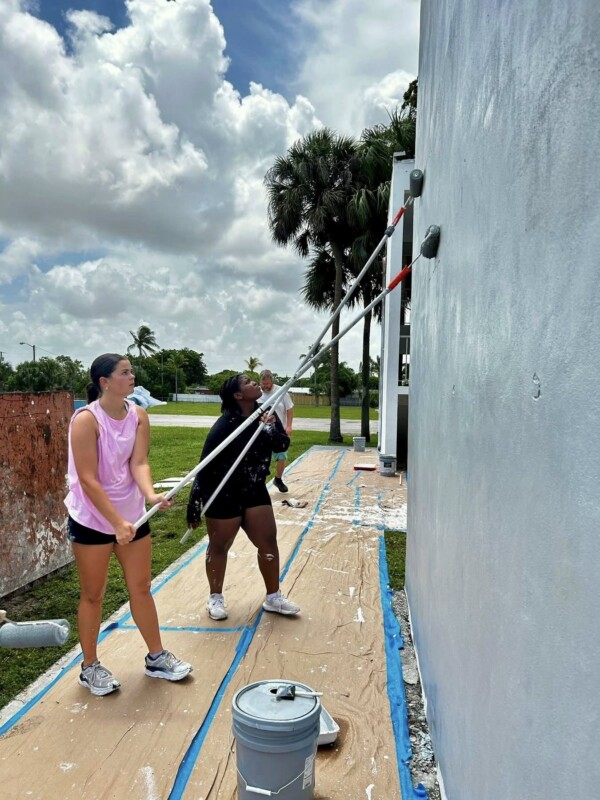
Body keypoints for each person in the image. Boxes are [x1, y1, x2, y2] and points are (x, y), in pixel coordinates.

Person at [65, 353, 193, 696]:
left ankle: (156, 658)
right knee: (93, 594)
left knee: (141, 587)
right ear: (105, 382)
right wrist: (116, 522)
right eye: (125, 372)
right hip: (92, 518)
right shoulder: (85, 421)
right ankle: (89, 667)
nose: (132, 376)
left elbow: (138, 463)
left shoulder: (138, 415)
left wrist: (150, 496)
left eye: (131, 371)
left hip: (132, 515)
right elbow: (88, 480)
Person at [186, 374, 300, 621]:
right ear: (238, 395)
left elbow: (282, 446)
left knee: (268, 541)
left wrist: (270, 426)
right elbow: (204, 467)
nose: (255, 384)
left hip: (254, 488)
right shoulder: (225, 426)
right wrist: (195, 504)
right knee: (219, 546)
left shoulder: (265, 413)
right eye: (248, 383)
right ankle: (215, 596)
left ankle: (273, 596)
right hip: (223, 492)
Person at [258, 369, 294, 493]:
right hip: (262, 432)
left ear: (272, 381)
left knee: (281, 455)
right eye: (263, 384)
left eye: (268, 384)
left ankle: (278, 479)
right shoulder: (257, 393)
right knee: (261, 457)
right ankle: (259, 482)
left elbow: (289, 409)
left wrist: (288, 426)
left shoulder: (281, 391)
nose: (265, 387)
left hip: (279, 430)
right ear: (260, 382)